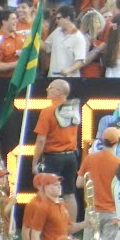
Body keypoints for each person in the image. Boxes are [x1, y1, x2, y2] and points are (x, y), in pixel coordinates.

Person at [32, 79, 79, 224]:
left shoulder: (48, 111)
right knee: (69, 195)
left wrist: (34, 162)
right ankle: (70, 228)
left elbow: (41, 139)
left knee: (48, 194)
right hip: (71, 156)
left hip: (53, 157)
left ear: (58, 92)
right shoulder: (73, 109)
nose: (47, 90)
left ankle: (50, 227)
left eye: (50, 88)